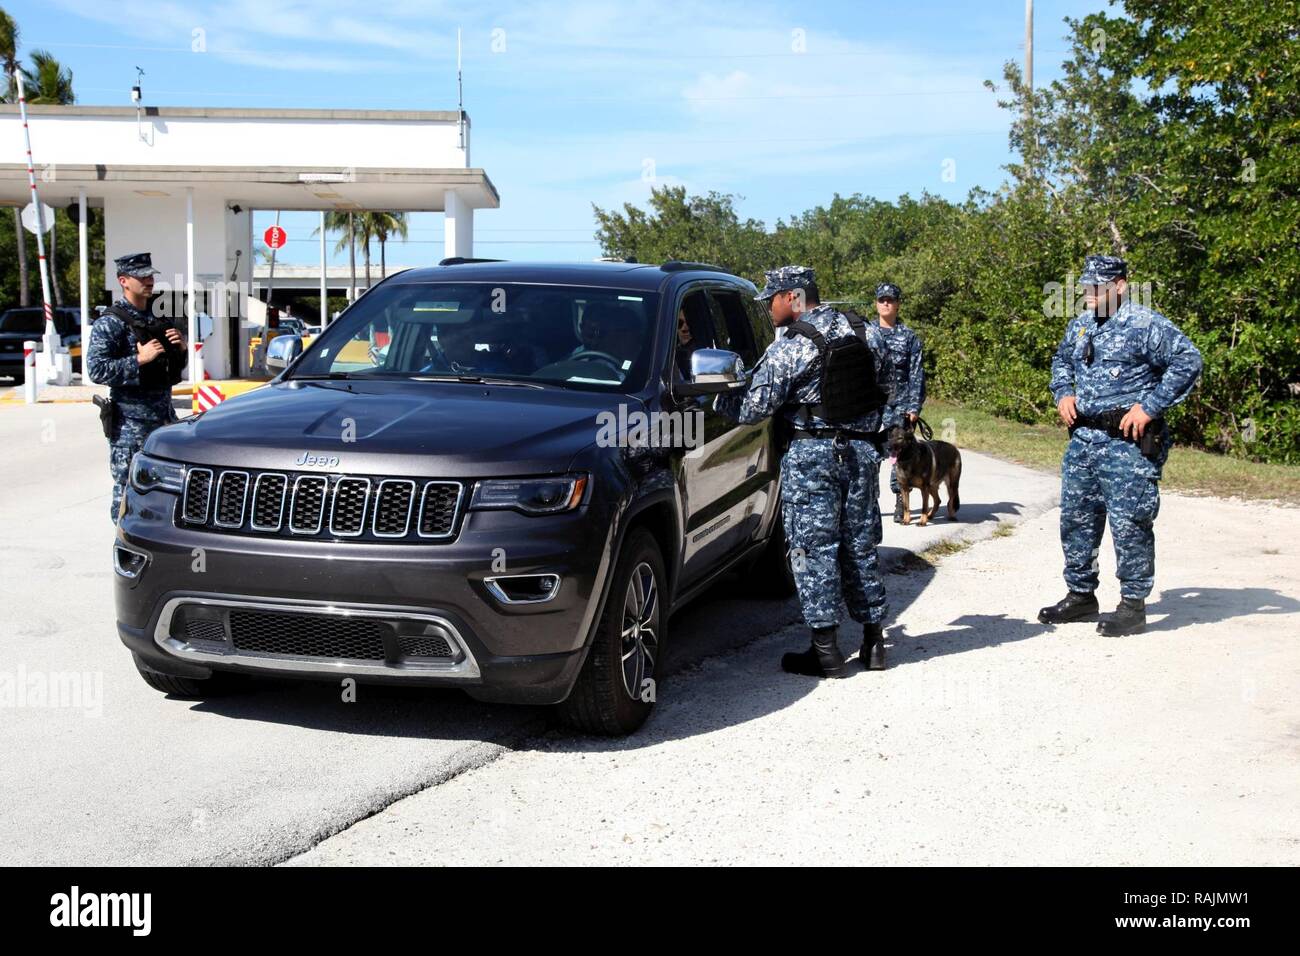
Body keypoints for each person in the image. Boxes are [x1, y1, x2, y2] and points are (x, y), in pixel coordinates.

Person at [716, 266, 895, 676]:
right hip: (863, 455)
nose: (768, 305)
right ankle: (874, 643)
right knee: (860, 544)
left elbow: (754, 407)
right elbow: (887, 390)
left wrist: (712, 402)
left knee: (813, 549)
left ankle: (825, 651)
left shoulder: (794, 344)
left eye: (773, 297)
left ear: (794, 297)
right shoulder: (867, 332)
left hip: (813, 457)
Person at [1039, 255, 1202, 635]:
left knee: (1131, 522)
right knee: (1076, 519)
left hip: (1127, 445)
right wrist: (1063, 392)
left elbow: (1188, 360)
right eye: (1086, 285)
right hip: (1084, 441)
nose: (1089, 292)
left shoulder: (1144, 324)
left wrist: (1150, 406)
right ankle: (1080, 595)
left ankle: (1132, 605)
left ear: (1121, 285)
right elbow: (1061, 361)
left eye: (1098, 285)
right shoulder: (1080, 326)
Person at [86, 252, 187, 520]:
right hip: (131, 427)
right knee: (128, 492)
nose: (149, 280)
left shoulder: (157, 320)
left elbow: (171, 372)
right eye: (141, 276)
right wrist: (138, 360)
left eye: (150, 275)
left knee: (165, 491)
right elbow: (96, 369)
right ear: (123, 281)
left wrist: (181, 349)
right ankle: (126, 550)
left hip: (163, 420)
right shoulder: (111, 323)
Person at [873, 282, 926, 522]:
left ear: (898, 304)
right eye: (882, 299)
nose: (886, 303)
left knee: (899, 457)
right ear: (876, 303)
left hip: (900, 406)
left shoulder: (909, 337)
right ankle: (869, 503)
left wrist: (914, 407)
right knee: (869, 456)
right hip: (872, 406)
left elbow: (917, 374)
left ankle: (900, 500)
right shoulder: (866, 333)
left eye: (890, 300)